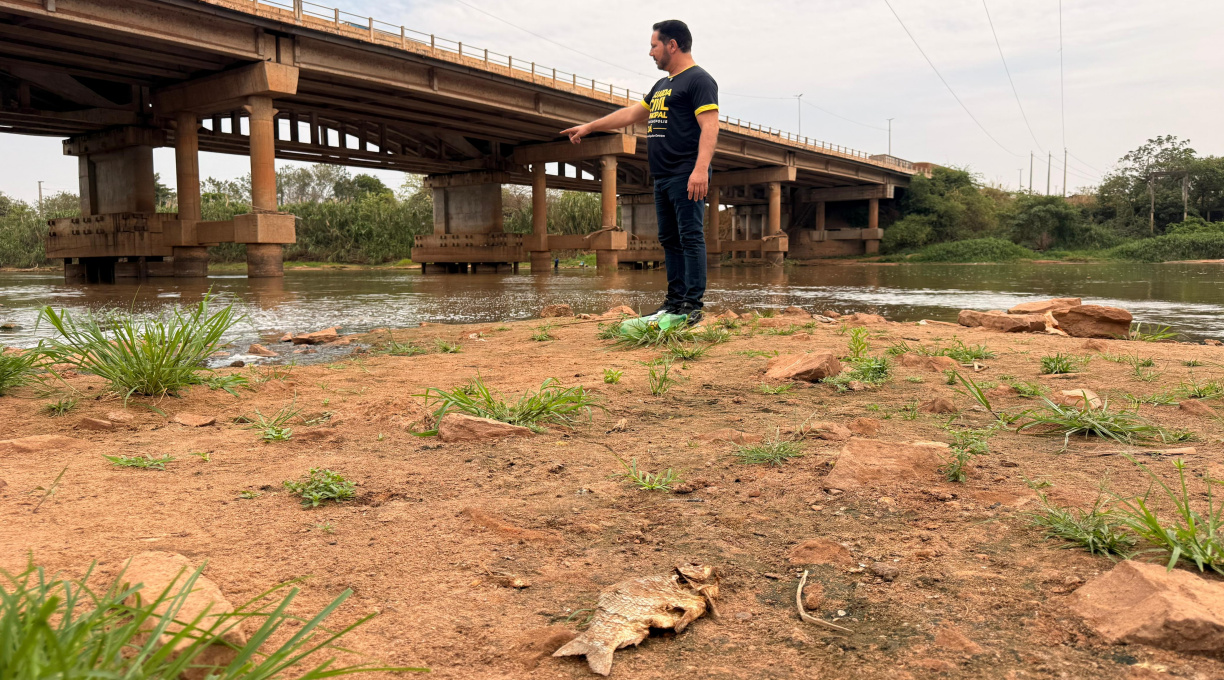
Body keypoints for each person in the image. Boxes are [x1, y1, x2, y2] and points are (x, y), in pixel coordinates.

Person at [562, 19, 719, 326]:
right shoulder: (662, 86)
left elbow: (710, 126)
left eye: (654, 46)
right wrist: (590, 126)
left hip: (686, 173)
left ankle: (692, 306)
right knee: (669, 240)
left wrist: (700, 170)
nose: (650, 53)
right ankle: (673, 302)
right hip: (662, 176)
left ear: (672, 45)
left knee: (690, 237)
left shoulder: (699, 80)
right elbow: (632, 113)